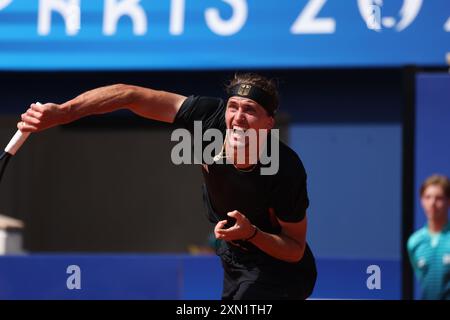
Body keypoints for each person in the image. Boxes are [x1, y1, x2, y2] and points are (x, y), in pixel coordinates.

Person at [17, 73, 317, 300]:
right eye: (233, 106)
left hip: (283, 274)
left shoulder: (285, 169)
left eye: (250, 110)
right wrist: (64, 113)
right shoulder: (208, 120)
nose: (238, 118)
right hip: (235, 261)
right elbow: (128, 94)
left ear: (269, 122)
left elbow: (294, 250)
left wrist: (250, 232)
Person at [407, 174, 450, 300]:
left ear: (448, 201)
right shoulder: (414, 242)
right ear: (421, 201)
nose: (432, 203)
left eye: (439, 198)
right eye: (428, 197)